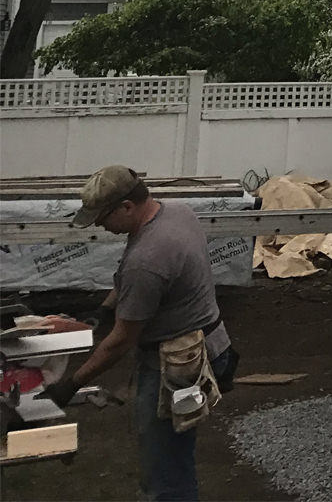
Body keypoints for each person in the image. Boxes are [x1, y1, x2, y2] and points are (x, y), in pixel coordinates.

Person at [41, 166, 238, 501]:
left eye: (104, 218)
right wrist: (102, 310)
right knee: (176, 451)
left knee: (166, 468)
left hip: (177, 369)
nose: (102, 226)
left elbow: (120, 342)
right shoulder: (176, 213)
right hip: (211, 343)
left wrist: (71, 384)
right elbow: (131, 282)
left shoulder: (148, 259)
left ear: (127, 207)